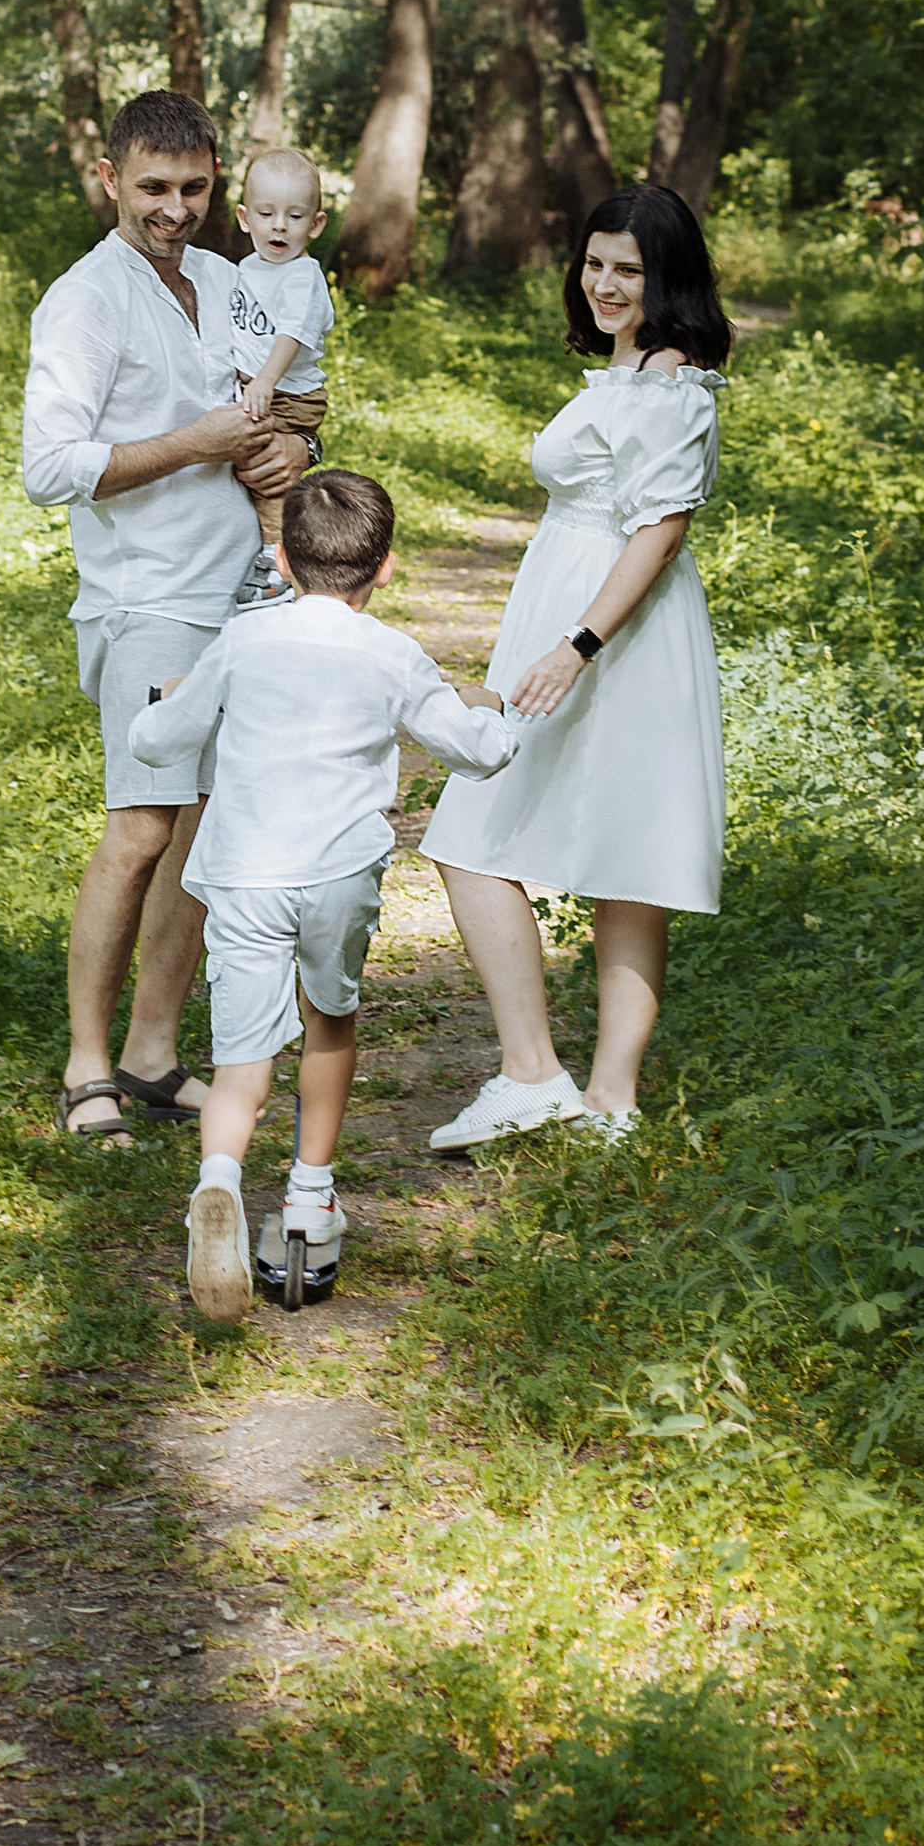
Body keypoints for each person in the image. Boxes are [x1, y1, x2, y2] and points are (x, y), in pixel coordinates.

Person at [125, 468, 519, 1323]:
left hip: (245, 875)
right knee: (330, 1020)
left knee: (242, 1063)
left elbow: (160, 741)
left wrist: (165, 703)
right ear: (385, 569)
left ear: (281, 557)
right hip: (338, 872)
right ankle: (310, 1198)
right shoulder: (393, 654)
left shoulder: (241, 642)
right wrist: (491, 710)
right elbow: (477, 751)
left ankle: (219, 1183)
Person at [20, 91, 311, 1146]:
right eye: (152, 186)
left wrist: (289, 453)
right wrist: (196, 440)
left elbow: (271, 409)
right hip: (146, 601)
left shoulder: (232, 281)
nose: (174, 208)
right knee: (140, 827)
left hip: (246, 593)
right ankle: (86, 1066)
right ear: (110, 179)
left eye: (193, 188)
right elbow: (48, 468)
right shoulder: (85, 302)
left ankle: (151, 1053)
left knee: (198, 834)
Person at [422, 182, 731, 1151]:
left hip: (616, 631)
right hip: (566, 611)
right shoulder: (627, 372)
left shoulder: (672, 386)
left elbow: (660, 530)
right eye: (595, 263)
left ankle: (584, 1088)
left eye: (627, 269)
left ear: (665, 276)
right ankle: (567, 1084)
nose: (603, 283)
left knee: (489, 834)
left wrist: (578, 644)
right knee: (536, 845)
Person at [220, 148, 335, 592]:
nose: (280, 226)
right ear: (245, 218)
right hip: (256, 387)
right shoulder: (248, 268)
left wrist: (264, 381)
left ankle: (276, 558)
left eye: (294, 215)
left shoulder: (303, 276)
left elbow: (292, 333)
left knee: (265, 468)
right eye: (267, 213)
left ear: (316, 224)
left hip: (288, 394)